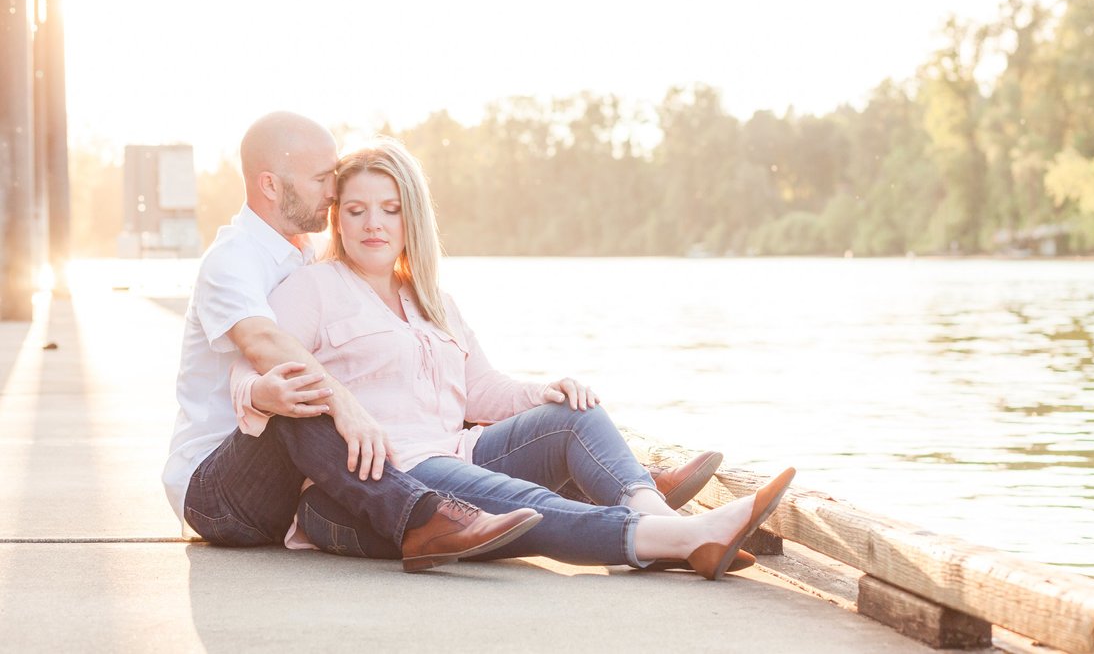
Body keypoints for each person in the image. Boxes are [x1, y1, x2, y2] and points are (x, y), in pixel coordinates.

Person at [233, 136, 795, 579]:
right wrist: (264, 394)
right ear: (338, 219)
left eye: (389, 209)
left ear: (412, 219)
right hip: (391, 481)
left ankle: (670, 526)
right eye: (355, 210)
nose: (373, 224)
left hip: (459, 451)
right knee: (530, 502)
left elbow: (481, 390)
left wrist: (543, 391)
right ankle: (687, 540)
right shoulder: (313, 288)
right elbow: (253, 365)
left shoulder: (433, 301)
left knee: (575, 416)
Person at [162, 112, 544, 572]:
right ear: (270, 185)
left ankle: (588, 484)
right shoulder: (233, 260)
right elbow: (262, 342)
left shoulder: (303, 253)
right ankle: (427, 516)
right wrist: (346, 403)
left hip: (291, 485)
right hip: (218, 491)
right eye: (323, 178)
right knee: (303, 393)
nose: (333, 191)